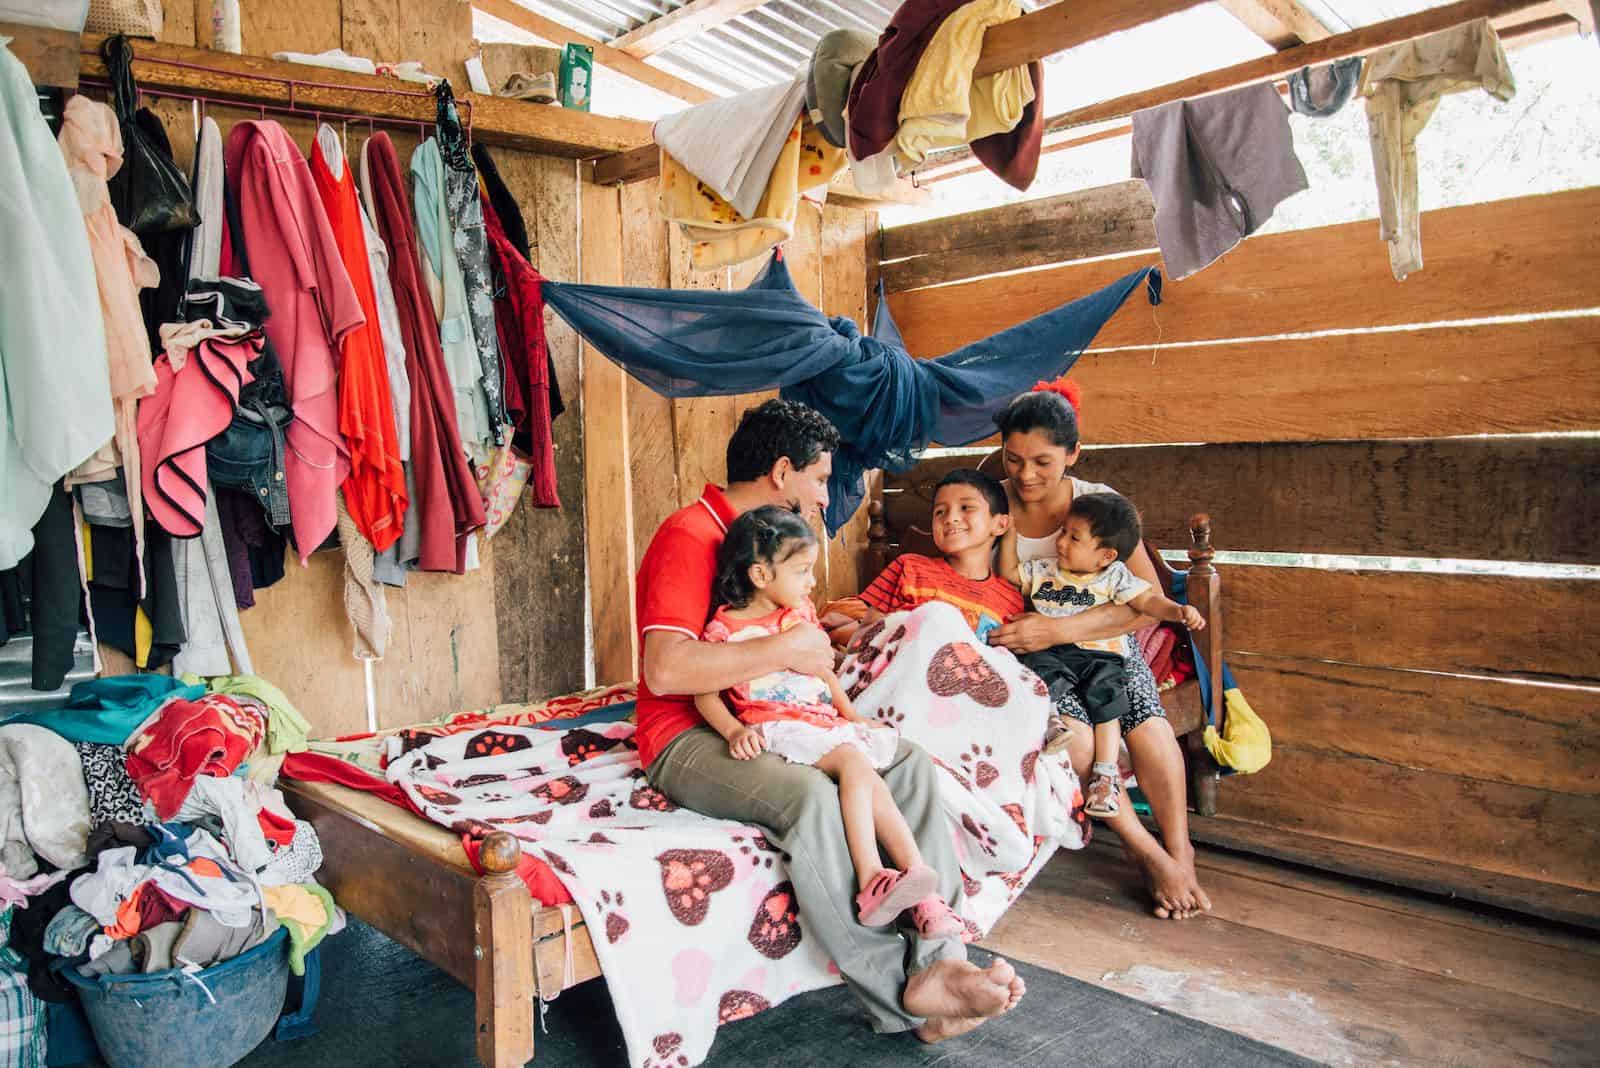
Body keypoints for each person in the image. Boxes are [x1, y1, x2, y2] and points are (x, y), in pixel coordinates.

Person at [636, 399, 1024, 1043]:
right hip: (691, 733)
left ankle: (940, 965)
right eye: (820, 480)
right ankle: (899, 999)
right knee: (816, 800)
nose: (823, 497)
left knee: (904, 762)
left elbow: (803, 654)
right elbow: (665, 671)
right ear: (782, 472)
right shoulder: (689, 535)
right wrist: (787, 650)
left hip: (779, 714)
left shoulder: (779, 550)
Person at [986, 380, 1215, 920]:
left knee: (1142, 712)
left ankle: (1180, 849)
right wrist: (1037, 636)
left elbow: (1146, 598)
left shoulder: (1101, 505)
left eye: (1042, 461)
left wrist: (1059, 630)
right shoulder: (993, 502)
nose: (1025, 475)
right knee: (1077, 735)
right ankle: (1147, 852)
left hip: (1099, 642)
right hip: (1029, 650)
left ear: (1073, 453)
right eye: (1013, 458)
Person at [696, 505, 965, 939]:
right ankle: (872, 876)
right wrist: (732, 729)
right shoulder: (726, 630)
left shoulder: (798, 618)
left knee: (871, 776)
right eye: (802, 571)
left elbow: (824, 674)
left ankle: (924, 892)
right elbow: (703, 688)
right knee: (854, 764)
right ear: (761, 576)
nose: (812, 582)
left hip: (819, 723)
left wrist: (854, 717)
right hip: (777, 725)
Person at [999, 492, 1206, 819]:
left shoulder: (1115, 578)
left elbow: (1149, 602)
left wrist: (1178, 610)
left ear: (1106, 556)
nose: (1062, 542)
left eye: (1074, 537)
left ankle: (1105, 776)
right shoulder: (1045, 570)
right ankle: (1052, 722)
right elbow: (1010, 573)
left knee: (1108, 700)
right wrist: (1010, 531)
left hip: (1100, 655)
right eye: (1063, 532)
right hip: (1053, 651)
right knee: (1035, 671)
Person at [857, 469, 1024, 643]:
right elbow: (865, 638)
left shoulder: (1011, 600)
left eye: (966, 508)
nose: (950, 518)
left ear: (1000, 524)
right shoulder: (909, 569)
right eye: (940, 512)